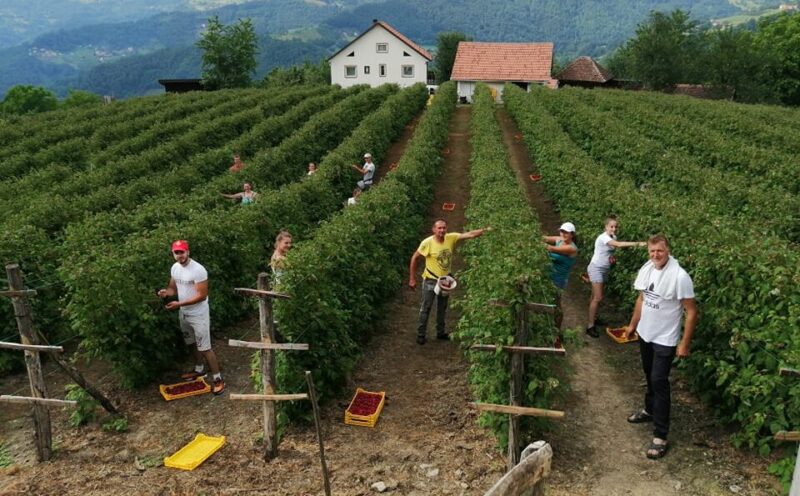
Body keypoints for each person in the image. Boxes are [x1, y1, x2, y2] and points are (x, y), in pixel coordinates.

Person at [625, 234, 697, 460]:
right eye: (652, 251)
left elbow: (691, 311)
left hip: (665, 338)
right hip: (646, 333)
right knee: (649, 374)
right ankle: (649, 410)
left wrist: (684, 343)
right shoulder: (647, 269)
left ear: (668, 251)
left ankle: (660, 435)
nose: (656, 255)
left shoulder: (680, 277)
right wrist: (632, 325)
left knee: (659, 381)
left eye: (660, 251)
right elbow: (641, 299)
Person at [157, 240, 225, 395]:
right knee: (191, 343)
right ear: (173, 253)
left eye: (182, 252)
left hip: (198, 313)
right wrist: (165, 293)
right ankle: (199, 370)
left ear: (188, 252)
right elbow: (172, 289)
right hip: (184, 312)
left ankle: (218, 379)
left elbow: (202, 296)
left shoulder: (198, 270)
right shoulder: (175, 268)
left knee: (205, 348)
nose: (179, 255)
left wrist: (179, 304)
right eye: (176, 252)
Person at [408, 219, 490, 344]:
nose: (442, 230)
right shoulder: (427, 243)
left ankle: (440, 332)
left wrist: (485, 230)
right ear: (434, 229)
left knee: (442, 307)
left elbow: (470, 234)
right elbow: (414, 258)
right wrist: (412, 278)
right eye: (439, 228)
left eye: (444, 228)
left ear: (447, 229)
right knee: (426, 308)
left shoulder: (451, 238)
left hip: (445, 281)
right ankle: (421, 334)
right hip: (430, 280)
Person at [585, 215, 646, 337]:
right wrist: (639, 244)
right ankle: (590, 326)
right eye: (611, 226)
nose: (614, 229)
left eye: (616, 227)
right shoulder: (603, 237)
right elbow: (618, 245)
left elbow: (608, 251)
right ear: (606, 227)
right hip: (596, 268)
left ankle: (594, 317)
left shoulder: (613, 237)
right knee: (598, 297)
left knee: (594, 296)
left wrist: (611, 258)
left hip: (604, 269)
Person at [543, 222, 579, 348]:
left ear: (572, 235)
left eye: (566, 232)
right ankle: (549, 330)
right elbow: (544, 238)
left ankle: (556, 334)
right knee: (549, 303)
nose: (563, 234)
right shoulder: (559, 239)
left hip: (558, 280)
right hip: (550, 277)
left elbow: (550, 248)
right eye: (561, 231)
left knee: (556, 306)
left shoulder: (572, 248)